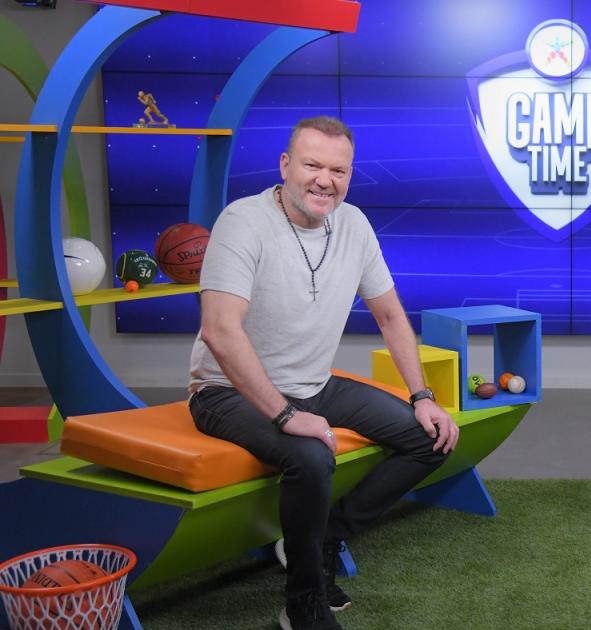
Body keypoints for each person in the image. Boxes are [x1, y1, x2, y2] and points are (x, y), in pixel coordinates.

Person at [188, 116, 459, 630]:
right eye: (312, 165)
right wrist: (286, 415)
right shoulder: (243, 222)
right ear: (285, 165)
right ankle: (304, 606)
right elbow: (220, 331)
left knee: (432, 438)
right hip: (225, 392)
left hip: (314, 384)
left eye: (339, 170)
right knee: (312, 457)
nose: (324, 180)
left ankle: (322, 539)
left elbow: (390, 315)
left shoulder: (354, 224)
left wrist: (422, 395)